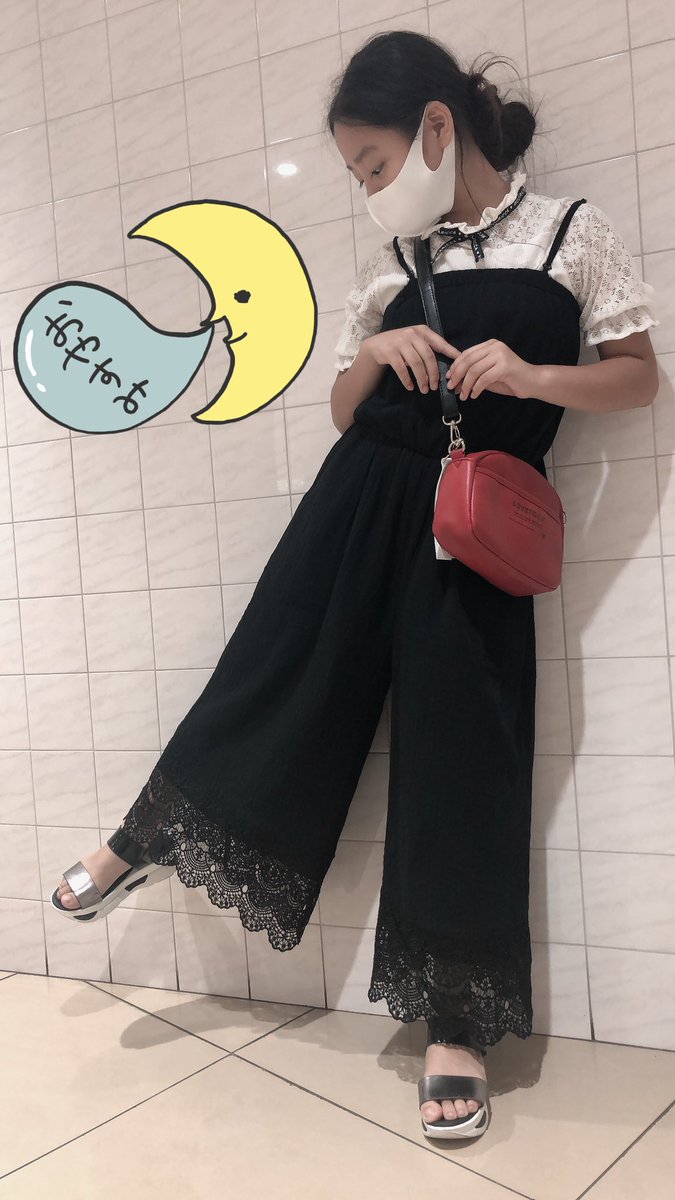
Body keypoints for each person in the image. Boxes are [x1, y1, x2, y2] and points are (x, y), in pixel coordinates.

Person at [52, 31, 659, 1140]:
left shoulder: (572, 232)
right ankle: (146, 836)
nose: (370, 186)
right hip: (362, 493)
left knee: (464, 755)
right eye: (355, 173)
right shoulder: (394, 263)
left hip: (478, 522)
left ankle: (454, 1023)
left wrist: (530, 375)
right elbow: (344, 410)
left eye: (374, 163)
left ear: (437, 126)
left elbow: (638, 379)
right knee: (280, 668)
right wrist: (377, 355)